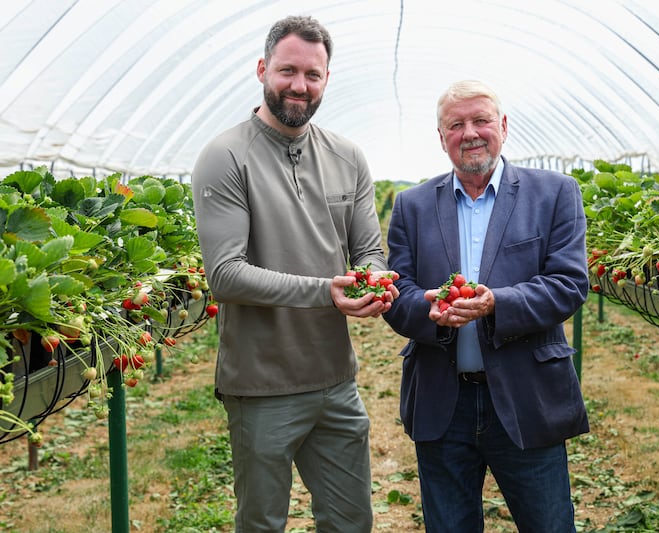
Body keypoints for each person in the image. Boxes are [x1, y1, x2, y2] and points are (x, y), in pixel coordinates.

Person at [191, 15, 397, 533]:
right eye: (287, 71)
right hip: (262, 384)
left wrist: (374, 280)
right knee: (262, 523)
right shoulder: (226, 155)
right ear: (263, 69)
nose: (299, 85)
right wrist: (327, 292)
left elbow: (369, 248)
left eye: (313, 74)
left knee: (351, 521)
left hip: (335, 379)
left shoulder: (347, 157)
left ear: (327, 79)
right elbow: (226, 275)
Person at [382, 79, 590, 532]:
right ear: (442, 138)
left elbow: (569, 283)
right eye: (456, 125)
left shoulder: (554, 193)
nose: (470, 133)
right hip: (443, 400)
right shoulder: (412, 205)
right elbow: (399, 295)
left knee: (548, 525)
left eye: (481, 120)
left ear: (504, 126)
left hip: (526, 394)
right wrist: (429, 310)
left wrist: (497, 303)